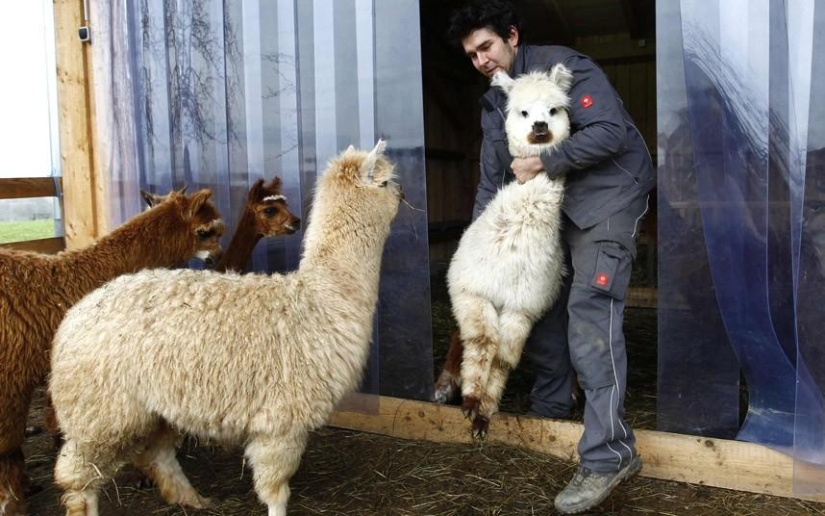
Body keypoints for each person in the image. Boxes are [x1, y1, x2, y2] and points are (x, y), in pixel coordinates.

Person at [447, 1, 655, 513]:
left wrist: (543, 161)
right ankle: (551, 411)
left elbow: (610, 132)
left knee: (590, 311)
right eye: (472, 55)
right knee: (536, 307)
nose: (481, 60)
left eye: (487, 46)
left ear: (512, 37)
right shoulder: (496, 103)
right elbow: (493, 180)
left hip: (606, 198)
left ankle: (609, 454)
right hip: (546, 208)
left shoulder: (565, 69)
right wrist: (479, 242)